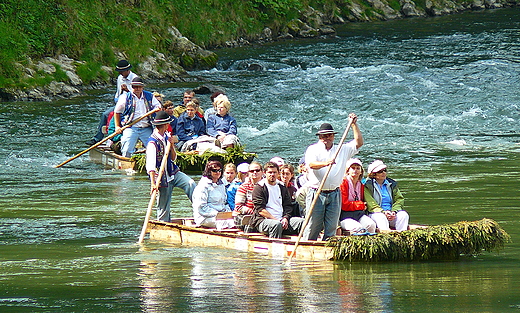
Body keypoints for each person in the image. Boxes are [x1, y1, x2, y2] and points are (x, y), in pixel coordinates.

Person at [303, 114, 363, 241]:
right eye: (323, 136)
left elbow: (359, 143)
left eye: (329, 135)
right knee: (313, 225)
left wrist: (354, 125)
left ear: (333, 136)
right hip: (317, 192)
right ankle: (308, 246)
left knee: (332, 227)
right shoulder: (313, 149)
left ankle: (327, 248)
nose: (326, 138)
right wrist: (326, 163)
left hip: (335, 193)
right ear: (319, 137)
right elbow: (312, 165)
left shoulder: (341, 149)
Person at [146, 111, 196, 222]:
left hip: (173, 172)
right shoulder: (152, 143)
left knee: (191, 184)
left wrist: (172, 145)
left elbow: (173, 158)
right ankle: (163, 225)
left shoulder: (167, 137)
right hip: (161, 177)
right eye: (168, 124)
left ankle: (200, 210)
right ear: (165, 125)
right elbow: (151, 166)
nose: (169, 126)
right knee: (164, 208)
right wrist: (153, 184)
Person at [85, 60, 137, 146]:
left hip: (131, 105)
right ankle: (97, 138)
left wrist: (128, 90)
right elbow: (118, 92)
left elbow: (138, 95)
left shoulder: (135, 79)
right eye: (119, 71)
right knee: (105, 114)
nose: (120, 73)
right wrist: (117, 99)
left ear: (128, 70)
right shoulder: (120, 78)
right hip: (120, 103)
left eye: (122, 71)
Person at [250, 162, 304, 238]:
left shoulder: (282, 186)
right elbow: (260, 210)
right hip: (263, 221)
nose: (272, 174)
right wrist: (276, 220)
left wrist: (285, 218)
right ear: (265, 173)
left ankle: (303, 245)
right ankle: (275, 246)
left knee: (302, 222)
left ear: (278, 173)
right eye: (270, 172)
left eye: (275, 172)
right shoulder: (259, 187)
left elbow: (288, 206)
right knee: (276, 225)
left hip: (282, 219)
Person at [113, 77, 161, 157]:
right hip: (130, 127)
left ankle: (153, 163)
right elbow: (117, 112)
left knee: (154, 148)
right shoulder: (125, 97)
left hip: (146, 127)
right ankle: (126, 164)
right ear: (132, 87)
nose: (137, 89)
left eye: (139, 87)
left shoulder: (149, 96)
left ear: (142, 87)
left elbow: (158, 106)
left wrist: (157, 109)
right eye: (135, 87)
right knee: (127, 149)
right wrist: (117, 126)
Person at [364, 160, 409, 231]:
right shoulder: (367, 185)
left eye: (384, 170)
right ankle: (386, 237)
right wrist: (383, 212)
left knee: (403, 215)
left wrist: (394, 211)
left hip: (391, 213)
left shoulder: (391, 184)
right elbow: (371, 203)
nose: (383, 173)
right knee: (381, 217)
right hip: (375, 214)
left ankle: (401, 236)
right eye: (380, 171)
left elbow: (399, 199)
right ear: (373, 174)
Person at [192, 160, 234, 228]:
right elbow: (201, 208)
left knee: (236, 221)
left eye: (219, 170)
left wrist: (229, 213)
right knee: (224, 223)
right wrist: (217, 214)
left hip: (221, 215)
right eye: (214, 170)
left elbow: (224, 203)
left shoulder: (221, 185)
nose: (218, 172)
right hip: (204, 217)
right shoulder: (202, 186)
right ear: (209, 171)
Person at [339, 158, 376, 234]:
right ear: (348, 170)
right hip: (344, 216)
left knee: (371, 225)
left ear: (361, 171)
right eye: (353, 168)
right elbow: (344, 205)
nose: (355, 170)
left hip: (358, 214)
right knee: (358, 228)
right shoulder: (343, 183)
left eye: (358, 168)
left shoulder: (361, 185)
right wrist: (360, 205)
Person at [233, 161, 264, 229]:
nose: (255, 172)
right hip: (246, 216)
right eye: (252, 171)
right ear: (248, 173)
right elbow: (239, 207)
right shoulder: (243, 187)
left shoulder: (267, 186)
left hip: (263, 215)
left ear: (262, 172)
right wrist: (253, 212)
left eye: (257, 170)